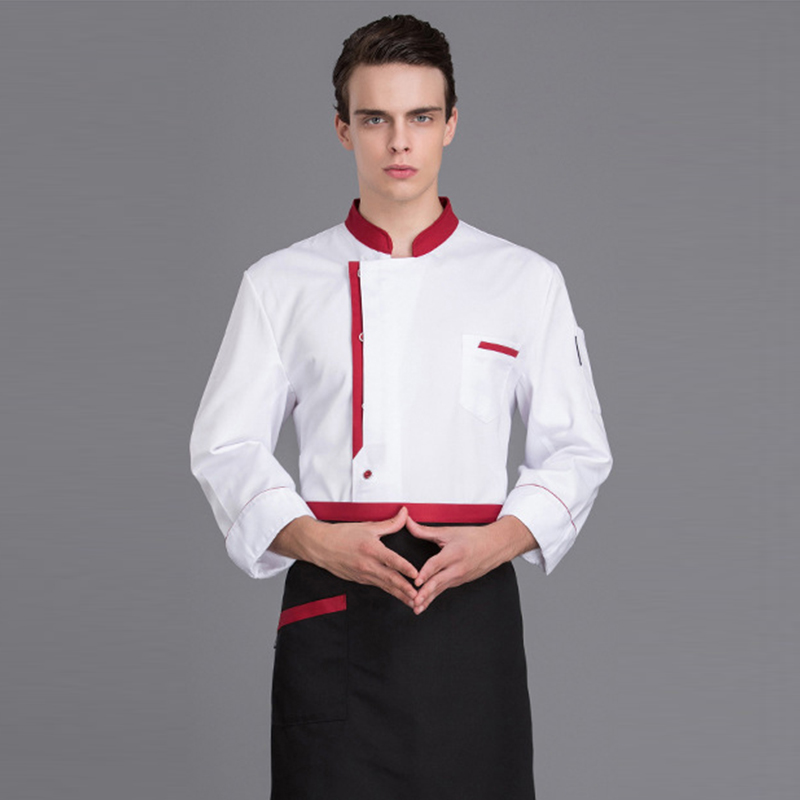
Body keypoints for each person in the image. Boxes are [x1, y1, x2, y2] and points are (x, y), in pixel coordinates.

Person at [189, 14, 612, 800]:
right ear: (342, 129)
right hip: (335, 605)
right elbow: (225, 447)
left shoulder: (525, 281)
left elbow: (578, 450)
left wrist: (499, 542)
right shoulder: (279, 283)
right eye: (375, 119)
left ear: (450, 124)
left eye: (420, 116)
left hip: (469, 609)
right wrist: (318, 541)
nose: (399, 143)